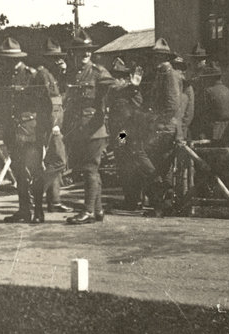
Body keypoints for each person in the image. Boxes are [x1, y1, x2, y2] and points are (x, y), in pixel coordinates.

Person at [0, 37, 61, 223]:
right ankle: (24, 210)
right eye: (4, 59)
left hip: (31, 132)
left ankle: (38, 211)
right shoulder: (5, 76)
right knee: (19, 173)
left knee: (35, 171)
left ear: (18, 58)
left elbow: (47, 104)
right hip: (13, 132)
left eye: (10, 59)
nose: (6, 62)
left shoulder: (34, 75)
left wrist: (48, 128)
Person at [63, 29, 115, 224]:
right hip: (79, 130)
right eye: (80, 51)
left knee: (90, 169)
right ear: (73, 53)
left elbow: (113, 86)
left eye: (88, 51)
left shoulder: (98, 72)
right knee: (90, 170)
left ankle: (88, 211)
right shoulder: (74, 74)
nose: (85, 54)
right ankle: (98, 210)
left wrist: (130, 85)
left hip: (95, 130)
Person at [107, 57, 151, 211]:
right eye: (115, 75)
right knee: (123, 166)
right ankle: (131, 199)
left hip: (126, 132)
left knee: (130, 164)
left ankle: (135, 199)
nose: (116, 79)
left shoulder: (131, 89)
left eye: (119, 76)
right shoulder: (115, 90)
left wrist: (132, 86)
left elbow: (137, 106)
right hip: (120, 132)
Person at [143, 38, 182, 209]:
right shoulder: (161, 74)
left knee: (161, 164)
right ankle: (162, 200)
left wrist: (156, 122)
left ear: (164, 58)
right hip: (160, 127)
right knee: (159, 163)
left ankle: (165, 199)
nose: (155, 61)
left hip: (164, 128)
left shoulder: (169, 75)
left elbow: (172, 105)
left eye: (158, 57)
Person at [41, 38, 72, 213]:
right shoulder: (44, 75)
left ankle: (55, 201)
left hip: (58, 122)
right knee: (60, 161)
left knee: (54, 161)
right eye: (53, 58)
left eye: (59, 57)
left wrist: (64, 72)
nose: (57, 61)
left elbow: (63, 97)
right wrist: (52, 125)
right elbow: (46, 103)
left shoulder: (54, 75)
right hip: (52, 124)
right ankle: (35, 192)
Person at [196, 65, 229, 143]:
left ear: (211, 78)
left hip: (212, 130)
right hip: (227, 130)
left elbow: (201, 112)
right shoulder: (228, 91)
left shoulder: (208, 91)